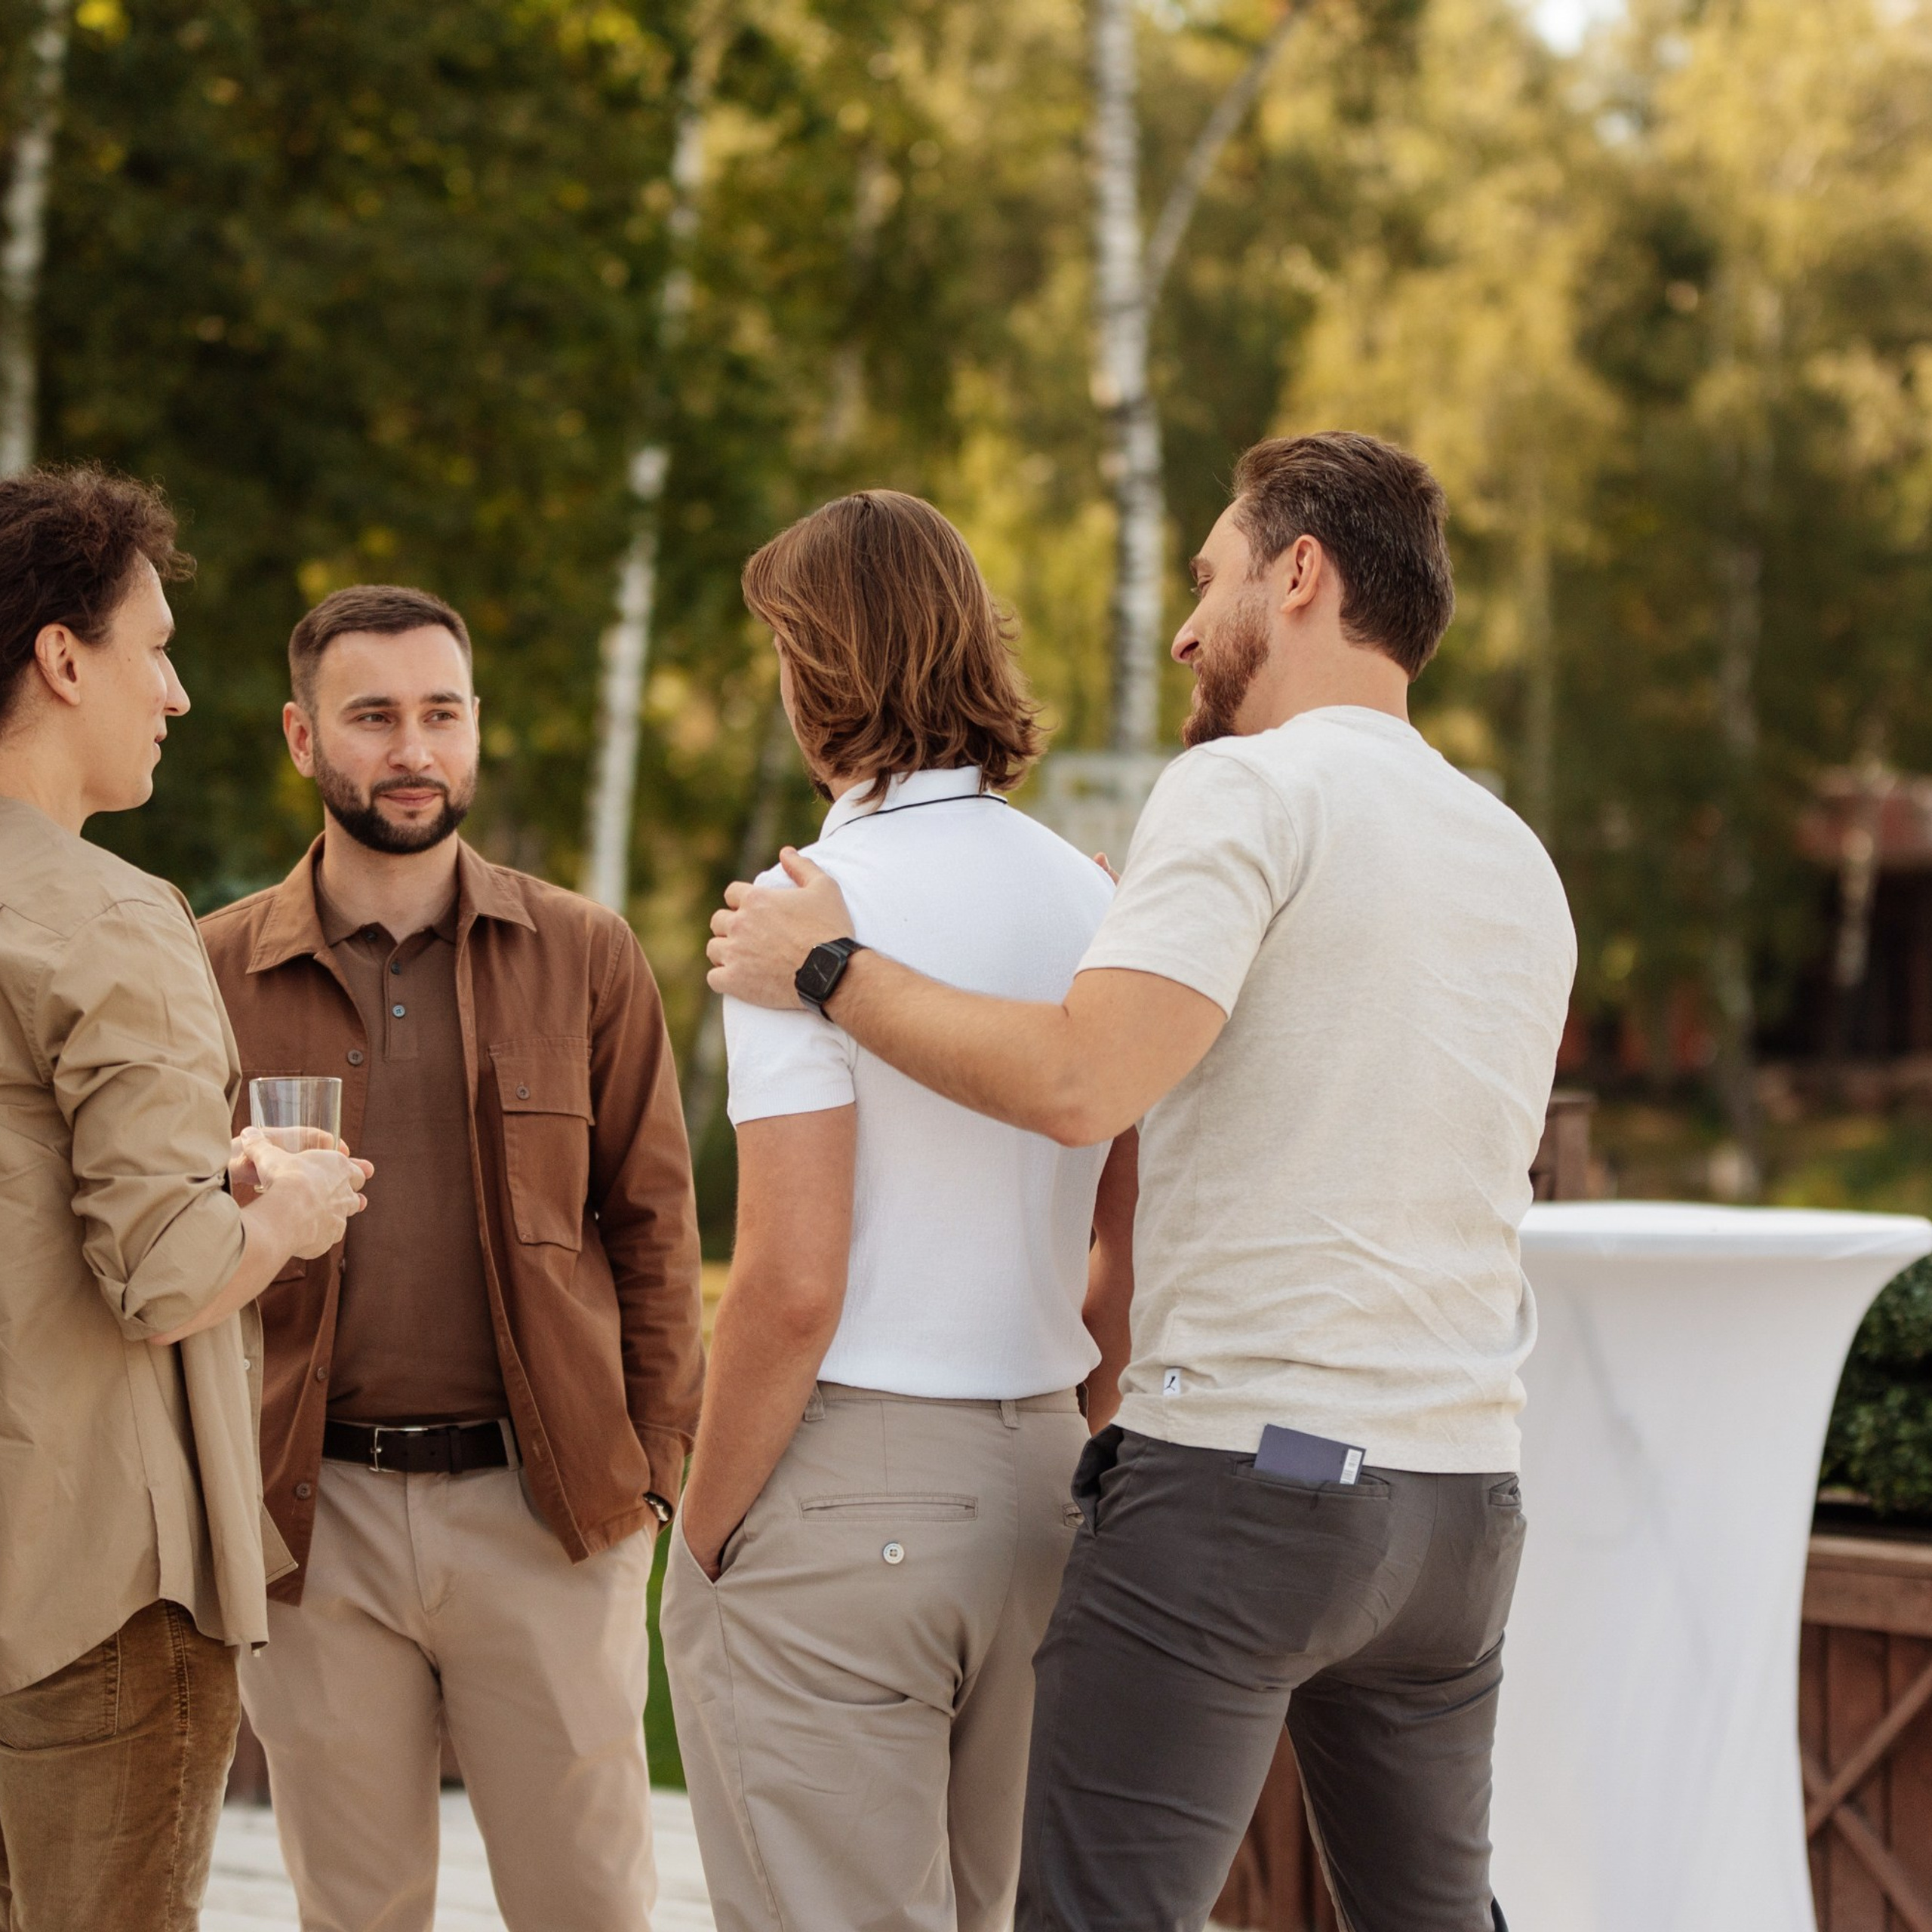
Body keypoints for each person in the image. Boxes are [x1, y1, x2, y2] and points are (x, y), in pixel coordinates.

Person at [706, 433, 1578, 1932]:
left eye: (1209, 575)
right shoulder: (1510, 852)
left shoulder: (1241, 793)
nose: (1184, 625)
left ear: (1296, 575)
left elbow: (1076, 1084)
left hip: (1251, 1484)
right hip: (1459, 1508)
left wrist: (826, 964)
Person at [661, 491, 1136, 1932]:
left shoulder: (796, 913)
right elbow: (1125, 1240)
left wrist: (703, 1531)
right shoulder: (1097, 899)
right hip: (1046, 1482)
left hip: (849, 1488)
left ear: (818, 681)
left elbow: (792, 1281)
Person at [198, 583, 705, 1932]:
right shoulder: (210, 972)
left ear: (476, 730)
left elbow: (654, 1229)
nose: (412, 750)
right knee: (353, 1915)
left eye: (441, 714)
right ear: (305, 741)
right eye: (373, 718)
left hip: (544, 1515)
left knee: (588, 1907)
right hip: (315, 1525)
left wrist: (652, 1474)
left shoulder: (586, 955)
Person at [0, 466, 369, 1931]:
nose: (176, 693)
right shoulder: (110, 914)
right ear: (61, 655)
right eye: (152, 649)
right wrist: (284, 1210)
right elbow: (162, 1273)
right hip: (96, 1588)